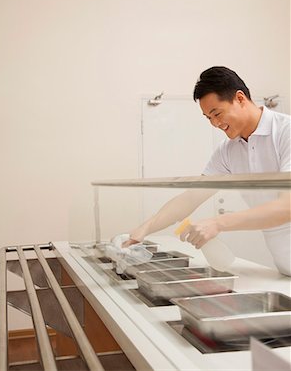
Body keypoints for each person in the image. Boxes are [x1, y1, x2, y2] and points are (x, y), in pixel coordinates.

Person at [124, 66, 291, 276]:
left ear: (240, 99)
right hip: (284, 267)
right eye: (208, 118)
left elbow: (286, 207)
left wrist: (217, 223)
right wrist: (145, 228)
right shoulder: (228, 151)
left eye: (217, 114)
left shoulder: (286, 132)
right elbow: (191, 197)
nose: (215, 123)